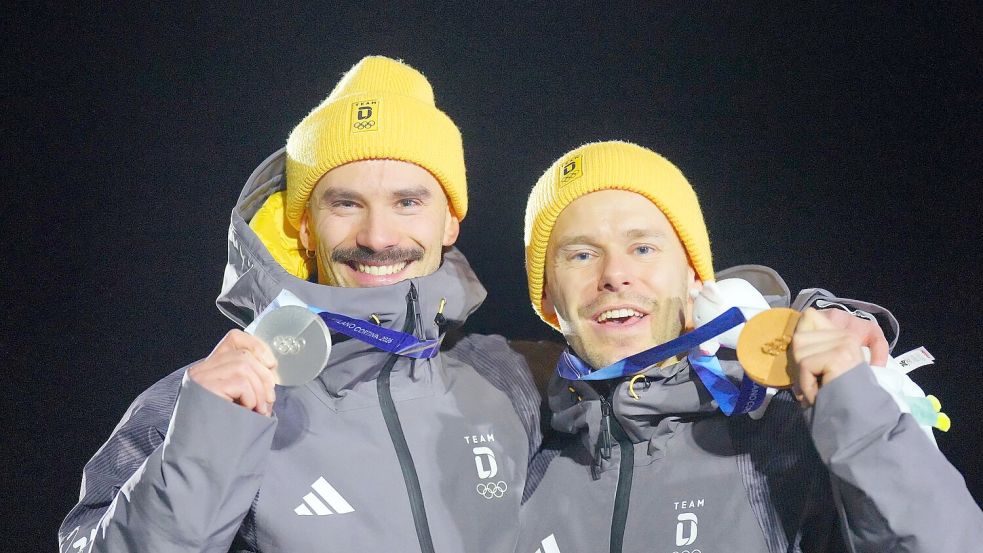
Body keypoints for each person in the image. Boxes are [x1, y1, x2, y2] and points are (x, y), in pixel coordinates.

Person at [58, 56, 544, 553]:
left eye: (408, 202)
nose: (377, 237)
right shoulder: (198, 404)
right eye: (346, 204)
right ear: (307, 227)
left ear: (449, 223)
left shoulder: (511, 378)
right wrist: (203, 444)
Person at [515, 140, 983, 552]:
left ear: (695, 276)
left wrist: (856, 410)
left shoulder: (793, 440)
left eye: (643, 248)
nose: (614, 274)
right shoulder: (519, 470)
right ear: (548, 298)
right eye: (581, 254)